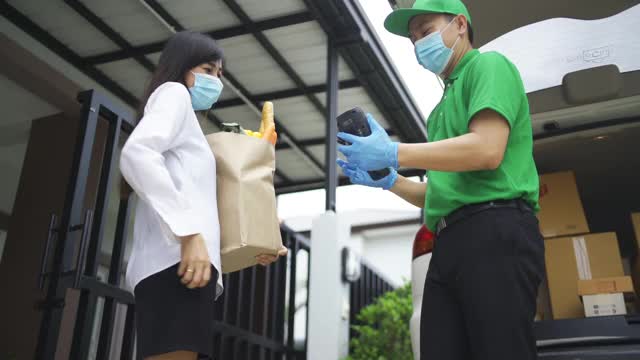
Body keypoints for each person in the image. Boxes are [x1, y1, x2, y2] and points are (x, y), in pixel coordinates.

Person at [337, 0, 545, 359]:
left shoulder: (488, 66)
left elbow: (487, 149)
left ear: (460, 25)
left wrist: (394, 152)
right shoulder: (439, 111)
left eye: (426, 31)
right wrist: (391, 180)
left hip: (496, 229)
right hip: (448, 240)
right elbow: (443, 192)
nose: (418, 43)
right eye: (413, 38)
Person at [120, 31, 286, 360]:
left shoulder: (190, 126)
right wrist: (188, 232)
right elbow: (137, 153)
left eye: (220, 74)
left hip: (182, 265)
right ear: (181, 66)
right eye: (208, 70)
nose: (216, 81)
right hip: (174, 264)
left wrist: (254, 245)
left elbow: (204, 205)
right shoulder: (174, 93)